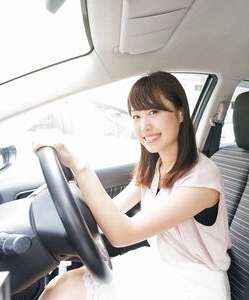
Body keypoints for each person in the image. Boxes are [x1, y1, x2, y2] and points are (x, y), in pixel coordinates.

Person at [34, 71, 231, 300]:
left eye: (153, 112)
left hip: (194, 284)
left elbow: (123, 234)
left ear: (180, 114)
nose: (144, 125)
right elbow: (111, 211)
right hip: (159, 266)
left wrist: (80, 166)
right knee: (61, 285)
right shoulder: (156, 167)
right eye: (136, 116)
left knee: (66, 291)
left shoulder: (202, 177)